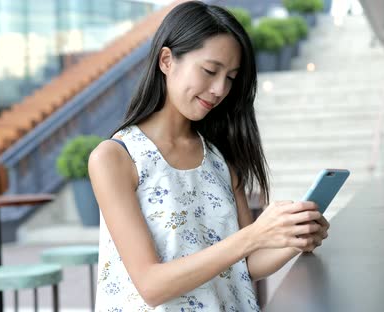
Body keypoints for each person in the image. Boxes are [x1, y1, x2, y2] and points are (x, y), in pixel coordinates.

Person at [88, 1, 330, 310]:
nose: (219, 89)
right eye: (210, 70)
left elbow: (246, 264)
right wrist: (254, 235)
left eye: (230, 77)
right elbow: (151, 285)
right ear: (166, 60)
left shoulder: (220, 158)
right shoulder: (115, 158)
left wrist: (293, 239)